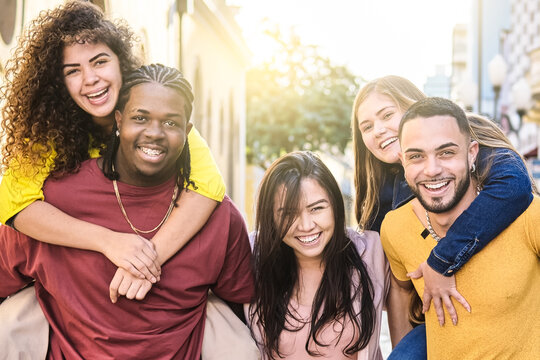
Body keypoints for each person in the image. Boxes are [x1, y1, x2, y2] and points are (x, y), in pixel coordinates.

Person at [0, 64, 254, 359]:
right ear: (118, 120)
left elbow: (244, 305)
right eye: (140, 118)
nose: (155, 133)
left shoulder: (219, 218)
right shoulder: (51, 207)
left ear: (187, 131)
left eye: (171, 123)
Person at [0, 0, 225, 294]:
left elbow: (207, 187)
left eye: (100, 62)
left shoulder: (156, 117)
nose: (90, 79)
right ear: (59, 84)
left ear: (121, 62)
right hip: (60, 281)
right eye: (73, 71)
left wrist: (144, 262)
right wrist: (109, 241)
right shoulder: (47, 131)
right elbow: (16, 205)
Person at [351, 76, 534, 358]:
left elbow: (515, 184)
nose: (378, 130)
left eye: (387, 115)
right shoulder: (384, 196)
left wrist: (440, 262)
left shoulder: (469, 133)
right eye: (367, 126)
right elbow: (395, 279)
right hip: (430, 318)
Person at [247, 151, 390, 359]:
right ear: (271, 217)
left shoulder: (369, 251)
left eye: (316, 208)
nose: (305, 226)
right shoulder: (254, 257)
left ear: (335, 205)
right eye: (288, 214)